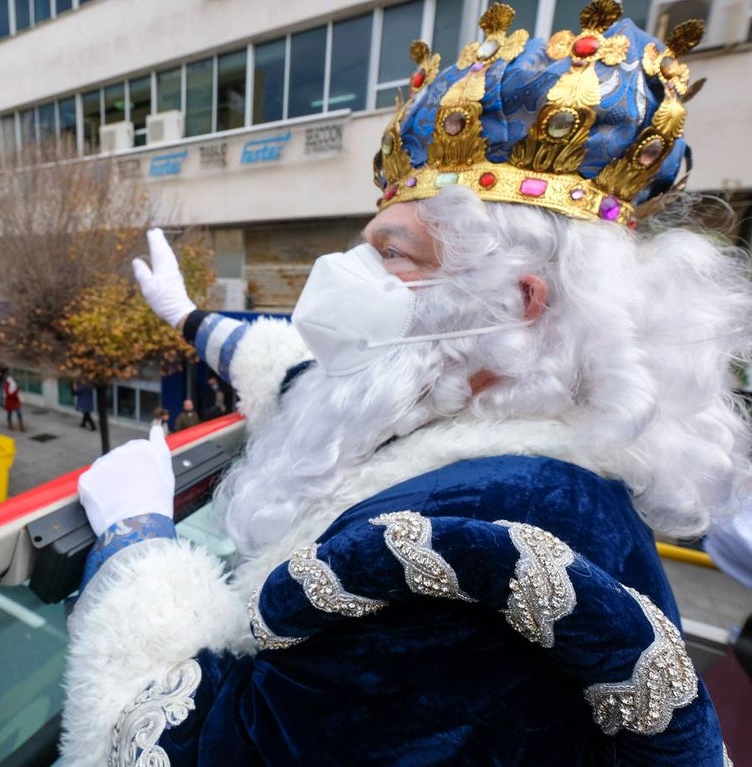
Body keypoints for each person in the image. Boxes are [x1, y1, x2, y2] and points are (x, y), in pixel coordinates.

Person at [60, 4, 751, 765]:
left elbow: (188, 746)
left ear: (516, 307)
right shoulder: (495, 420)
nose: (344, 278)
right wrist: (191, 319)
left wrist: (134, 544)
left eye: (394, 253)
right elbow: (300, 373)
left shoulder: (466, 543)